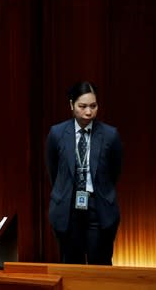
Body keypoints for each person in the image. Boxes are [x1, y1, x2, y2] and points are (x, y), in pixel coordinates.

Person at [45, 81, 123, 265]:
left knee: (100, 267)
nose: (89, 112)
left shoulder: (110, 135)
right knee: (71, 266)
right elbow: (53, 171)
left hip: (99, 208)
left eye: (93, 106)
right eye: (83, 106)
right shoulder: (56, 133)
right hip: (67, 208)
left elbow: (115, 171)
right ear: (71, 105)